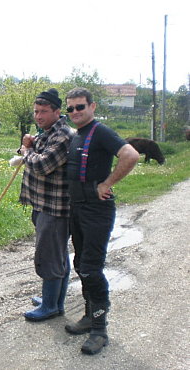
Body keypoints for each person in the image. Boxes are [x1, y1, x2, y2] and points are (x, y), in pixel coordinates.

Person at [64, 87, 139, 355]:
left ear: (92, 107)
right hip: (78, 208)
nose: (74, 112)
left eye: (80, 107)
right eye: (70, 108)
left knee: (91, 268)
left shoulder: (101, 132)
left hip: (97, 210)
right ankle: (88, 317)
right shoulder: (77, 135)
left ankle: (100, 329)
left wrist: (107, 183)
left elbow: (131, 155)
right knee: (80, 264)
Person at [18, 88, 75, 322]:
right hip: (41, 203)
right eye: (35, 111)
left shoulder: (63, 135)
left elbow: (41, 164)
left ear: (57, 111)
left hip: (55, 207)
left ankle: (50, 306)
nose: (38, 116)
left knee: (50, 255)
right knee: (58, 253)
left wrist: (27, 151)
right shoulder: (47, 132)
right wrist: (27, 146)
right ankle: (55, 301)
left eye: (43, 112)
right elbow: (32, 154)